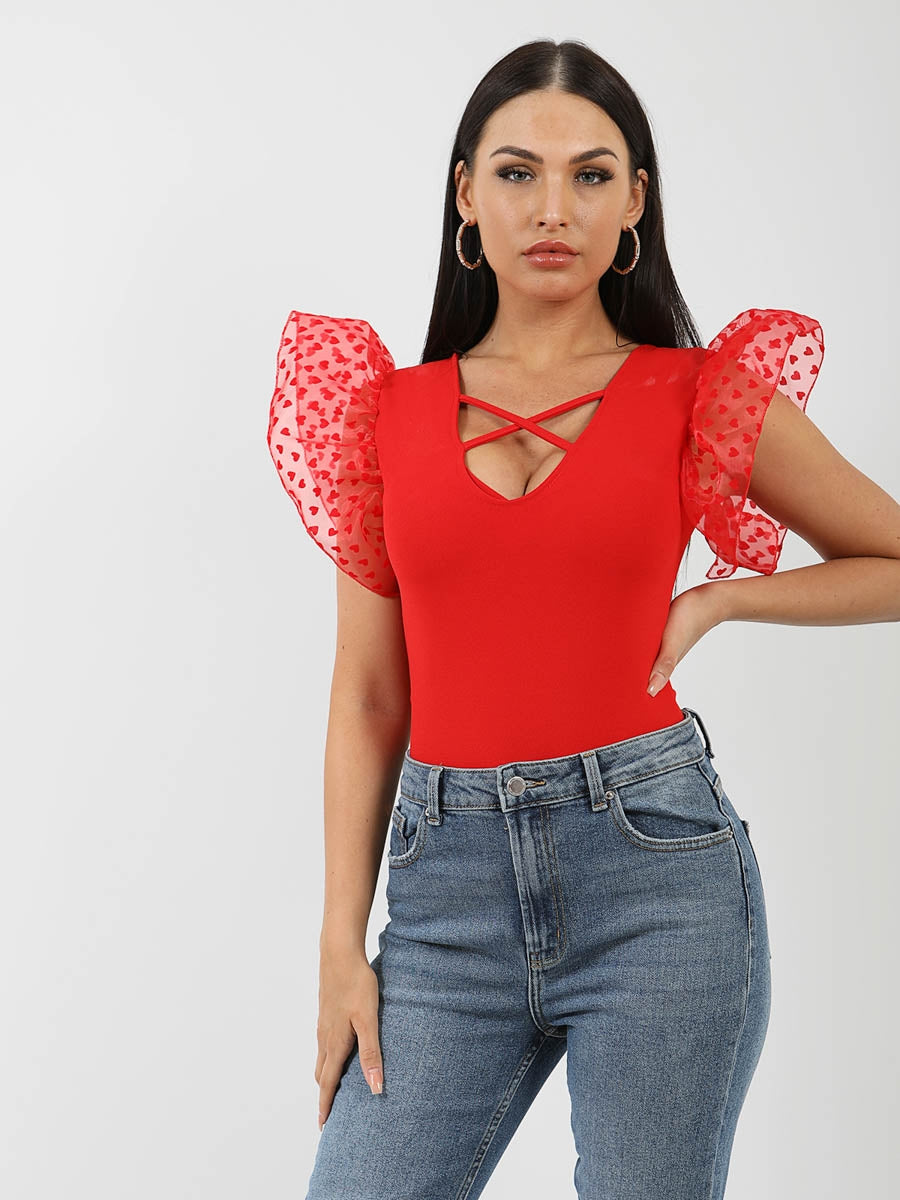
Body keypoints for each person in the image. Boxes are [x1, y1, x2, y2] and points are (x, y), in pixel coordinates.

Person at [266, 38, 900, 1200]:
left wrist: (724, 597)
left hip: (659, 883)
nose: (552, 207)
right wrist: (338, 947)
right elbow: (368, 697)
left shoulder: (700, 395)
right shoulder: (379, 412)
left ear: (635, 202)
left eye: (591, 174)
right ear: (466, 194)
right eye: (517, 172)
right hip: (445, 907)